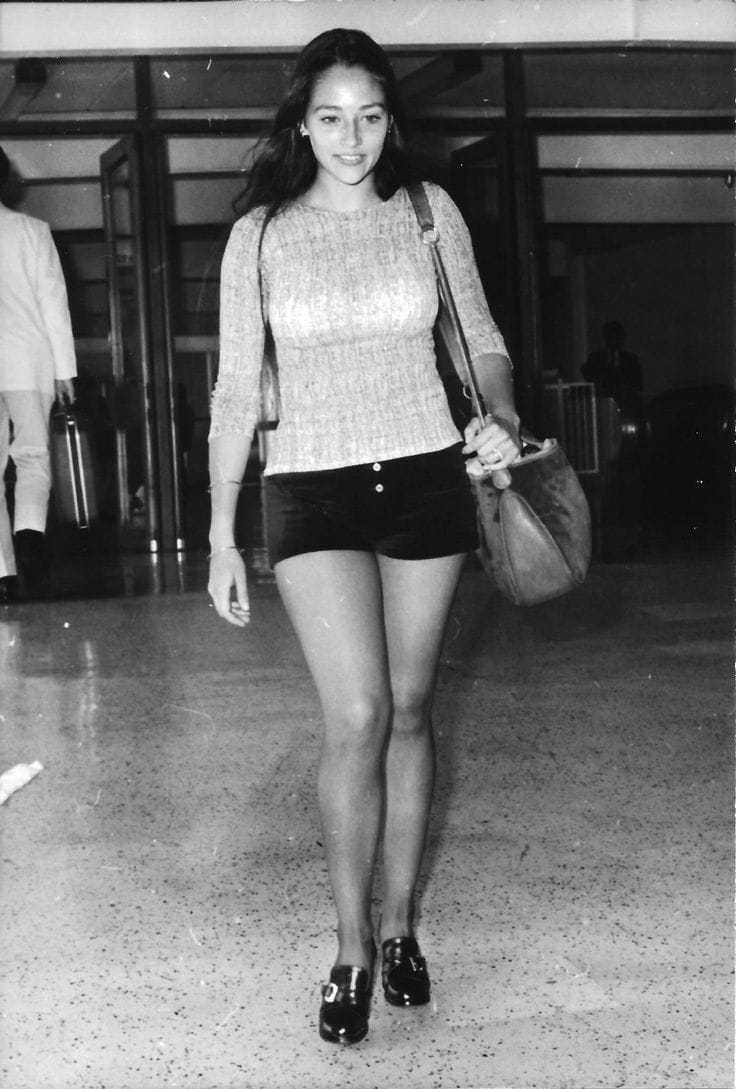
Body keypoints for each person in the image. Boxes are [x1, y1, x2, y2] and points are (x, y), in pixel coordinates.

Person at [207, 29, 520, 1046]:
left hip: (425, 472)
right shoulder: (258, 234)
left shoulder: (430, 214)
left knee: (415, 705)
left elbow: (479, 338)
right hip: (309, 486)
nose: (352, 137)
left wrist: (500, 415)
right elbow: (232, 392)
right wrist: (219, 533)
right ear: (302, 122)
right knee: (356, 712)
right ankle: (347, 946)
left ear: (392, 121)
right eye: (332, 117)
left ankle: (398, 929)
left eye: (371, 115)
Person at [0, 146, 76, 603]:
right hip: (28, 362)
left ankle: (1, 573)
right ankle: (30, 545)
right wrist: (65, 368)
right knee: (32, 459)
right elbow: (54, 302)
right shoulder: (32, 231)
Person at [582, 320, 642, 424]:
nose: (614, 341)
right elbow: (589, 377)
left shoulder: (631, 359)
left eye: (617, 337)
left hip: (626, 407)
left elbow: (637, 384)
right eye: (610, 337)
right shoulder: (596, 358)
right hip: (601, 406)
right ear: (605, 338)